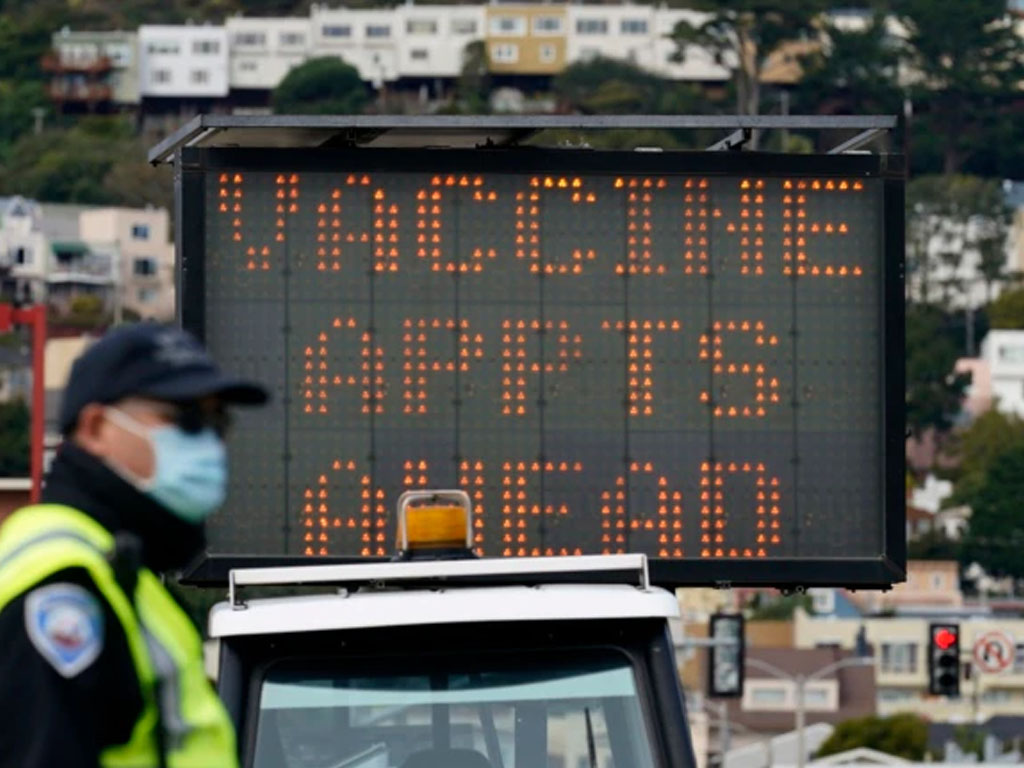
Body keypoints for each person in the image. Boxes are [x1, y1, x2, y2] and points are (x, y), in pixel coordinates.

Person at [0, 324, 267, 768]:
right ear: (97, 427)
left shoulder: (119, 572)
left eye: (218, 423)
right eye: (186, 420)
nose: (208, 443)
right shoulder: (64, 586)